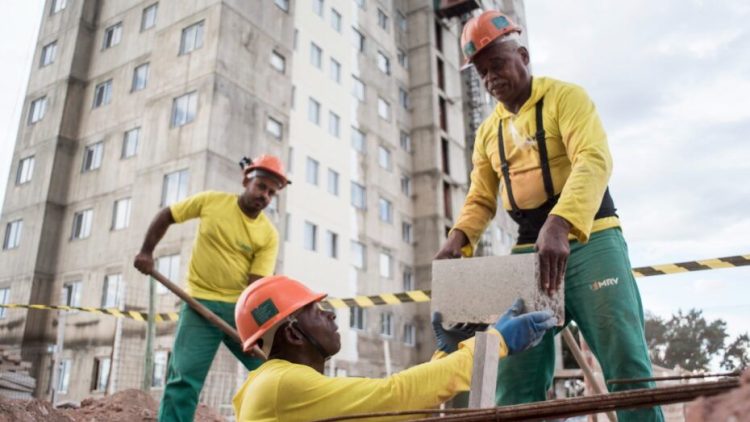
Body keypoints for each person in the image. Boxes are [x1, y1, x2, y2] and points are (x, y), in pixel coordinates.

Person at [434, 10, 664, 421]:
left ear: (522, 55)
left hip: (593, 237)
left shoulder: (566, 98)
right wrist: (459, 238)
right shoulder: (489, 132)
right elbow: (481, 197)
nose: (490, 80)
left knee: (626, 364)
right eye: (482, 73)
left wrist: (559, 222)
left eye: (498, 65)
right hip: (529, 249)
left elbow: (593, 159)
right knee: (514, 373)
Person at [231, 275, 557, 421]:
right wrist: (494, 343)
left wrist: (447, 355)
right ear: (294, 335)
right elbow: (394, 397)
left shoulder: (273, 384)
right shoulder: (281, 385)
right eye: (316, 311)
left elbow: (395, 408)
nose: (330, 313)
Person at [133, 154, 290, 422]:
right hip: (199, 304)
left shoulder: (268, 234)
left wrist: (264, 328)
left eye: (271, 193)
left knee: (272, 373)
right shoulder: (211, 202)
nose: (265, 195)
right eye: (261, 186)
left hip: (240, 311)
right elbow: (167, 215)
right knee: (183, 380)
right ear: (246, 180)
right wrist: (146, 252)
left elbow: (255, 286)